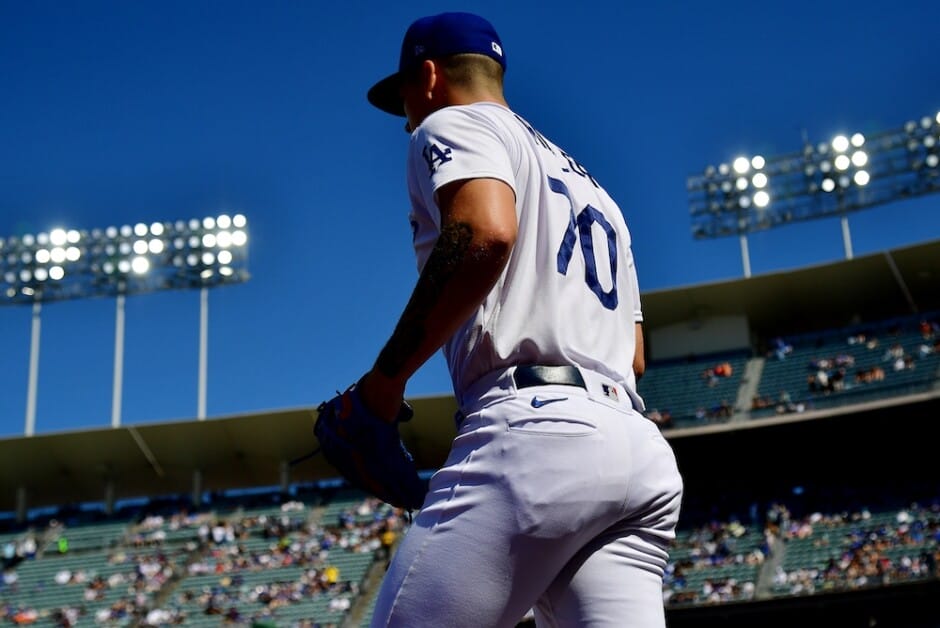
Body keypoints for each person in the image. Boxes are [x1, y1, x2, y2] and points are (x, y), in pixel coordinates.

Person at [356, 12, 683, 627]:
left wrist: (384, 382)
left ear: (427, 76)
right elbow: (635, 354)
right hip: (636, 449)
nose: (405, 115)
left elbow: (485, 231)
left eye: (404, 95)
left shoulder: (449, 121)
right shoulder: (597, 193)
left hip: (536, 435)